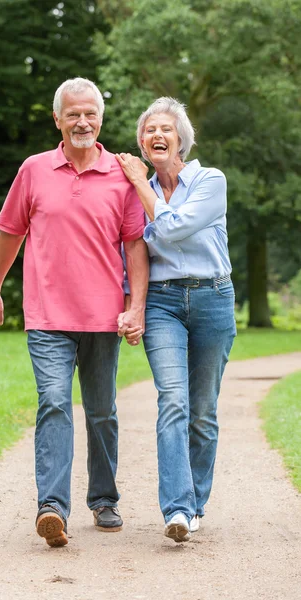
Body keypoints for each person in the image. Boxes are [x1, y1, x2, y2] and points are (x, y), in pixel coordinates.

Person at [0, 78, 149, 547]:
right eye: (73, 114)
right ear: (57, 119)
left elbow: (135, 245)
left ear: (101, 118)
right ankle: (51, 507)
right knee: (54, 404)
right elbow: (10, 234)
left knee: (101, 412)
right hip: (48, 315)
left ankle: (104, 499)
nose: (82, 122)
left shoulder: (121, 173)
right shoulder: (34, 170)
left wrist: (136, 305)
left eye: (90, 113)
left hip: (102, 318)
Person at [116, 97, 236, 543]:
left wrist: (140, 185)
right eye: (149, 131)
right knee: (173, 402)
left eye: (166, 128)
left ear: (181, 138)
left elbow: (169, 229)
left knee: (202, 412)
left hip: (213, 298)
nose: (157, 136)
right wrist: (132, 306)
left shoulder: (210, 181)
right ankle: (179, 510)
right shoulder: (136, 191)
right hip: (163, 304)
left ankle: (196, 502)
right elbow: (133, 251)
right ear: (142, 143)